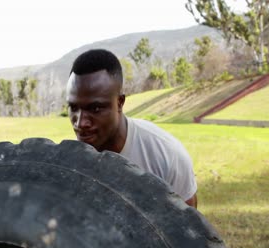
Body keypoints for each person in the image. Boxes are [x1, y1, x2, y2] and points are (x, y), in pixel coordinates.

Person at [66, 49, 197, 208]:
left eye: (95, 109)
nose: (81, 123)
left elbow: (189, 227)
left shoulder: (167, 156)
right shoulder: (69, 163)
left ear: (120, 103)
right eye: (74, 108)